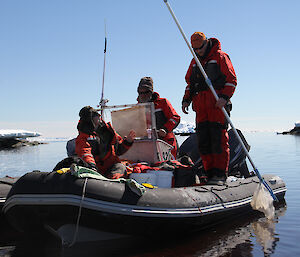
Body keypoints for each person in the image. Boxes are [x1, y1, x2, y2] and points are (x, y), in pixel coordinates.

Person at [182, 32, 237, 185]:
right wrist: (186, 100)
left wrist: (224, 98)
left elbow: (231, 80)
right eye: (195, 49)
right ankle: (208, 173)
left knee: (218, 140)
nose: (198, 52)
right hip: (200, 108)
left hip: (216, 107)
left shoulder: (220, 57)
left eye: (200, 48)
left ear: (206, 44)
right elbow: (190, 84)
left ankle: (220, 174)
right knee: (204, 142)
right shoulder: (195, 62)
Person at [75, 106, 136, 179]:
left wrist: (128, 142)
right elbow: (85, 152)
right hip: (95, 169)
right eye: (93, 116)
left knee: (120, 168)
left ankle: (112, 183)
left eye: (96, 115)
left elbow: (118, 150)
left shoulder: (109, 132)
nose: (97, 118)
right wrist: (91, 166)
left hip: (111, 166)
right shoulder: (83, 137)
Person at [137, 77, 181, 159]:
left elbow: (175, 118)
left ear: (151, 92)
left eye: (146, 92)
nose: (143, 95)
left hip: (166, 144)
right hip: (147, 144)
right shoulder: (138, 107)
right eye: (140, 92)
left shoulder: (163, 103)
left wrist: (165, 129)